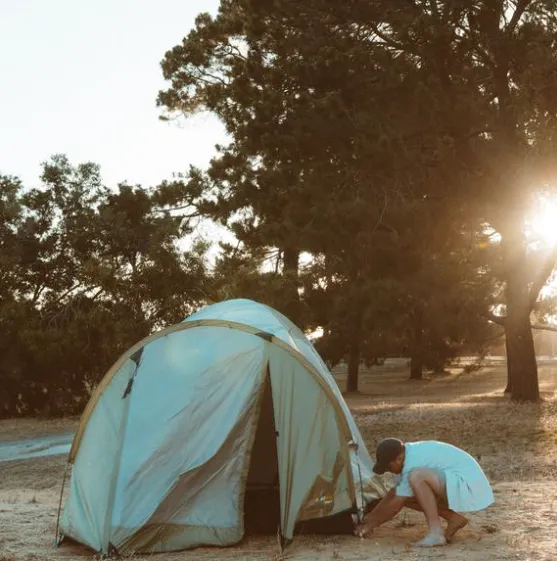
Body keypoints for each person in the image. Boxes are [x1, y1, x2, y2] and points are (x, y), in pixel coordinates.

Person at [355, 438, 494, 547]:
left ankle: (436, 534)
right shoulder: (406, 457)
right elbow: (393, 494)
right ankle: (453, 518)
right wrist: (369, 520)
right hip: (457, 484)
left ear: (398, 458)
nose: (388, 471)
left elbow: (395, 506)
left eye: (389, 466)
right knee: (404, 492)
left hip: (470, 487)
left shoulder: (412, 462)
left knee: (417, 476)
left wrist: (370, 526)